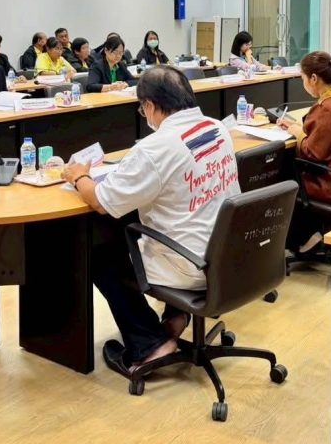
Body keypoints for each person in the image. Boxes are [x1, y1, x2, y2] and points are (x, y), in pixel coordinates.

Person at [61, 65, 240, 375]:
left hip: (191, 265)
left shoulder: (155, 148)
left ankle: (150, 345)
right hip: (227, 256)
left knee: (99, 255)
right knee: (162, 223)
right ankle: (177, 315)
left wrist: (79, 176)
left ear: (151, 106)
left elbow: (101, 201)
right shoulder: (216, 128)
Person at [277, 52, 331, 256]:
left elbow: (313, 153)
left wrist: (298, 133)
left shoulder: (327, 108)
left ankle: (300, 240)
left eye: (303, 78)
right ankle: (311, 235)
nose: (303, 83)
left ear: (314, 78)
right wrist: (300, 128)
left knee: (282, 174)